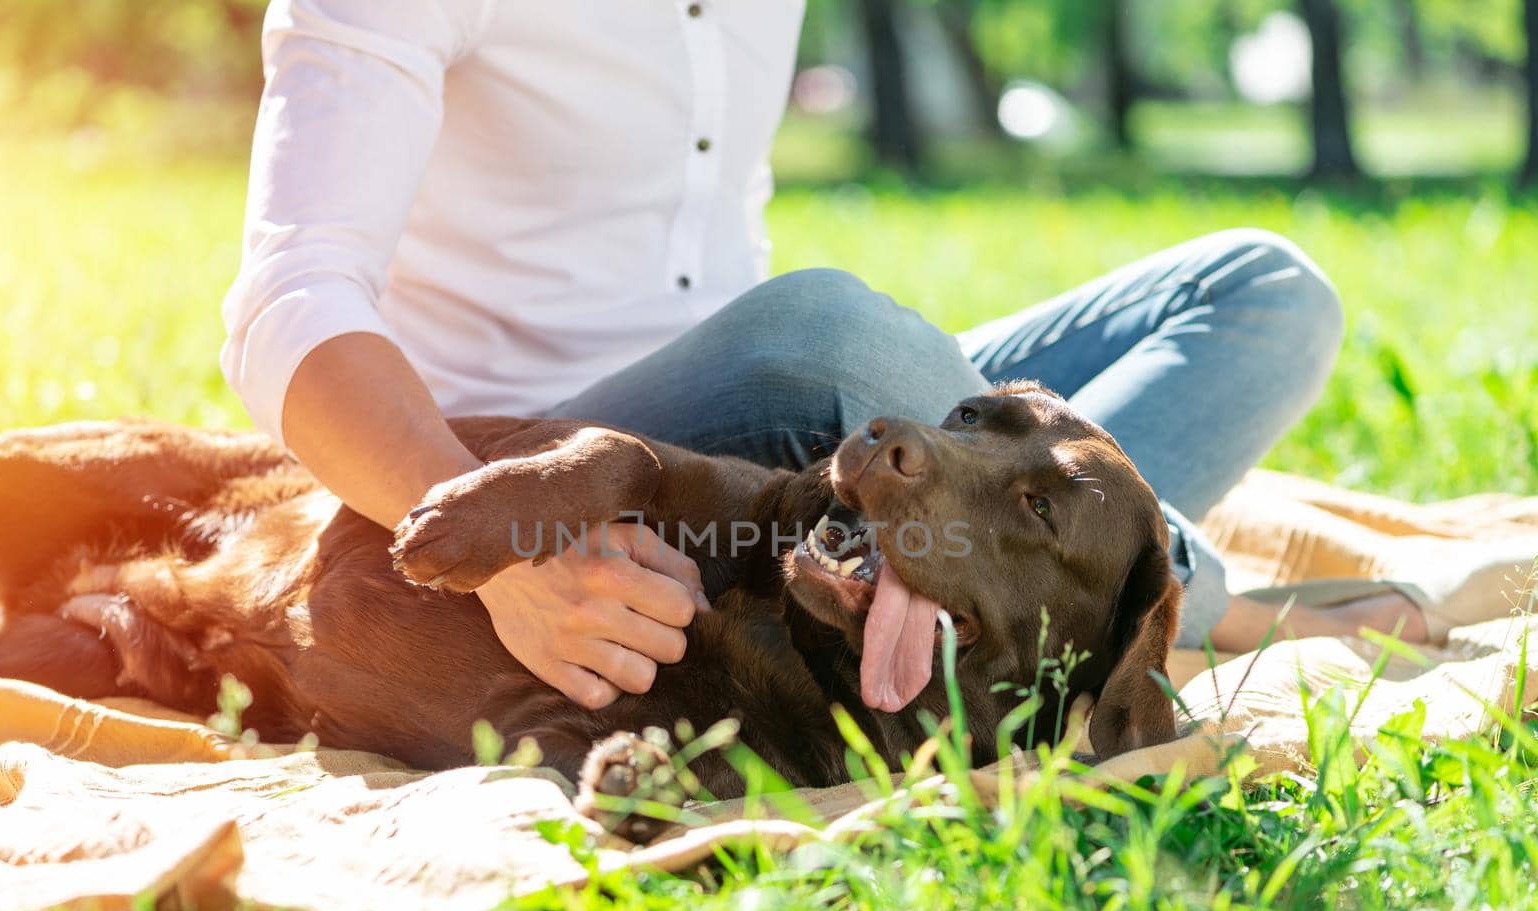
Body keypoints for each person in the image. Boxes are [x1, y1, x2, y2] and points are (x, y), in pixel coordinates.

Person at [221, 0, 1425, 715]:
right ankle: (1178, 601)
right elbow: (289, 299)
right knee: (826, 329)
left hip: (786, 432)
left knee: (1263, 289)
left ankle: (1078, 572)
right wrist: (505, 550)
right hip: (537, 449)